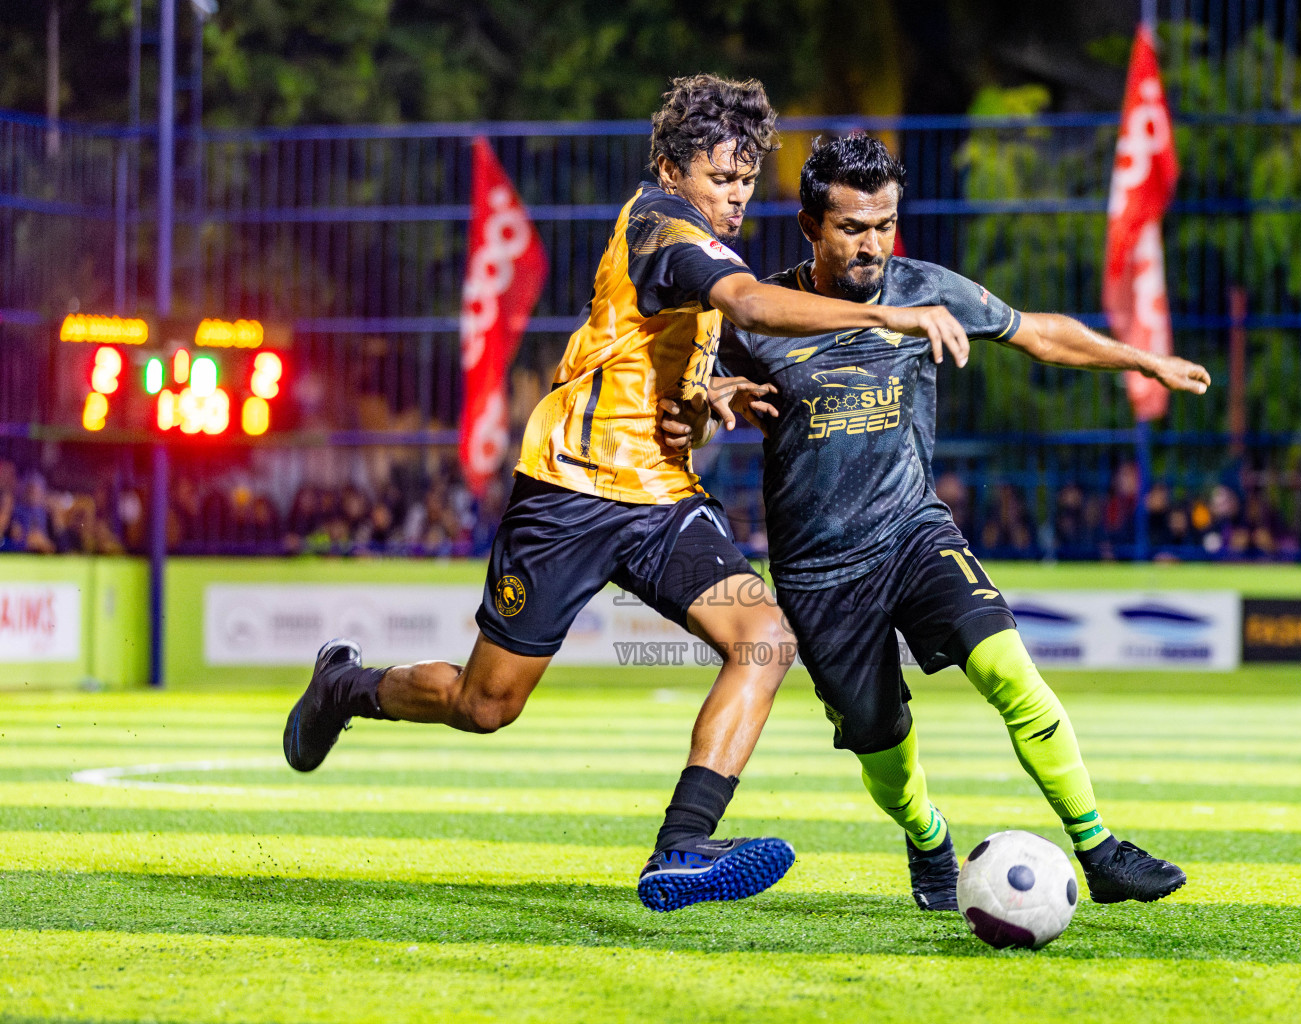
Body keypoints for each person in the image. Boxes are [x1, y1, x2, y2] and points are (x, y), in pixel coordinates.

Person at [281, 76, 974, 913]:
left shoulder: (710, 250)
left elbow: (669, 370)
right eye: (721, 178)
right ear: (671, 168)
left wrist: (714, 400)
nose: (736, 196)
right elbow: (749, 301)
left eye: (747, 180)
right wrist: (887, 318)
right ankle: (348, 686)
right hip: (570, 488)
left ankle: (681, 849)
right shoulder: (658, 223)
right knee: (487, 703)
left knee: (763, 637)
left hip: (658, 501)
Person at [662, 135, 1210, 910]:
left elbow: (1036, 331)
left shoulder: (924, 288)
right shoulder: (755, 317)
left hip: (914, 534)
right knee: (882, 743)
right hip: (819, 575)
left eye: (884, 223)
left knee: (1010, 672)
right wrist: (712, 406)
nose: (873, 244)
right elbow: (692, 414)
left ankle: (1100, 847)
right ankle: (927, 839)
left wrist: (1142, 360)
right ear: (810, 226)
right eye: (853, 227)